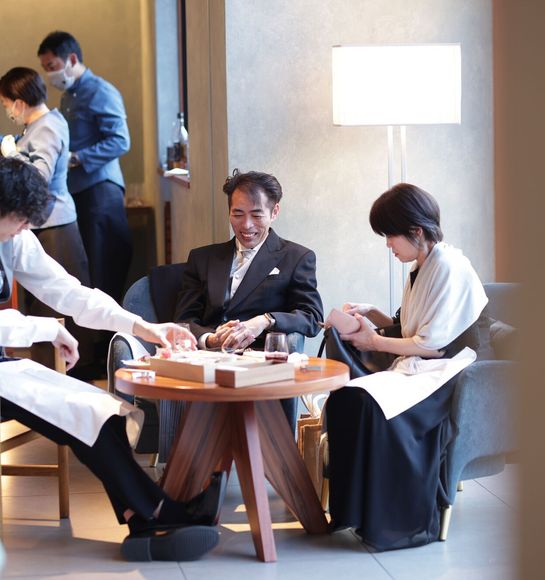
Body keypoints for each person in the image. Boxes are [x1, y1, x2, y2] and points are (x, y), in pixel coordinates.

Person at [0, 157, 225, 562]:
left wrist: (144, 328)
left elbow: (69, 292)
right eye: (19, 220)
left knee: (103, 409)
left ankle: (144, 518)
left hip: (4, 368)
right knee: (79, 410)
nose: (23, 230)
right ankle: (160, 514)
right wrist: (47, 329)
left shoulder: (13, 237)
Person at [326, 183, 488, 551]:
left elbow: (432, 344)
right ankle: (354, 512)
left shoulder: (449, 266)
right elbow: (410, 329)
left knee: (373, 405)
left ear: (416, 231)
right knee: (346, 397)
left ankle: (397, 524)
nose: (388, 244)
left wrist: (373, 342)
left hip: (452, 373)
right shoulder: (421, 267)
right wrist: (372, 314)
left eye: (390, 235)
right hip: (425, 366)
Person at [173, 168, 324, 434]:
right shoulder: (203, 258)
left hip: (259, 367)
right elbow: (184, 320)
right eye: (237, 214)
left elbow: (312, 318)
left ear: (274, 212)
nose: (246, 225)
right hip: (207, 363)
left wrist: (264, 321)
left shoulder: (296, 257)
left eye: (256, 215)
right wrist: (210, 339)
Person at [0, 66, 94, 373]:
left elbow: (37, 180)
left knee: (56, 304)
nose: (7, 111)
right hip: (41, 225)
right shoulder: (35, 126)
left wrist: (11, 154)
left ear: (19, 101)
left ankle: (69, 371)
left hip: (55, 225)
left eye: (6, 104)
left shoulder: (48, 125)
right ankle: (49, 370)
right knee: (41, 308)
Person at [36, 31, 132, 308]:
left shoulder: (100, 90)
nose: (49, 74)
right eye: (45, 68)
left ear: (71, 59)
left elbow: (120, 140)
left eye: (52, 66)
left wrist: (76, 158)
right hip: (78, 192)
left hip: (100, 192)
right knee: (87, 273)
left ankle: (107, 335)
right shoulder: (69, 97)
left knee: (103, 271)